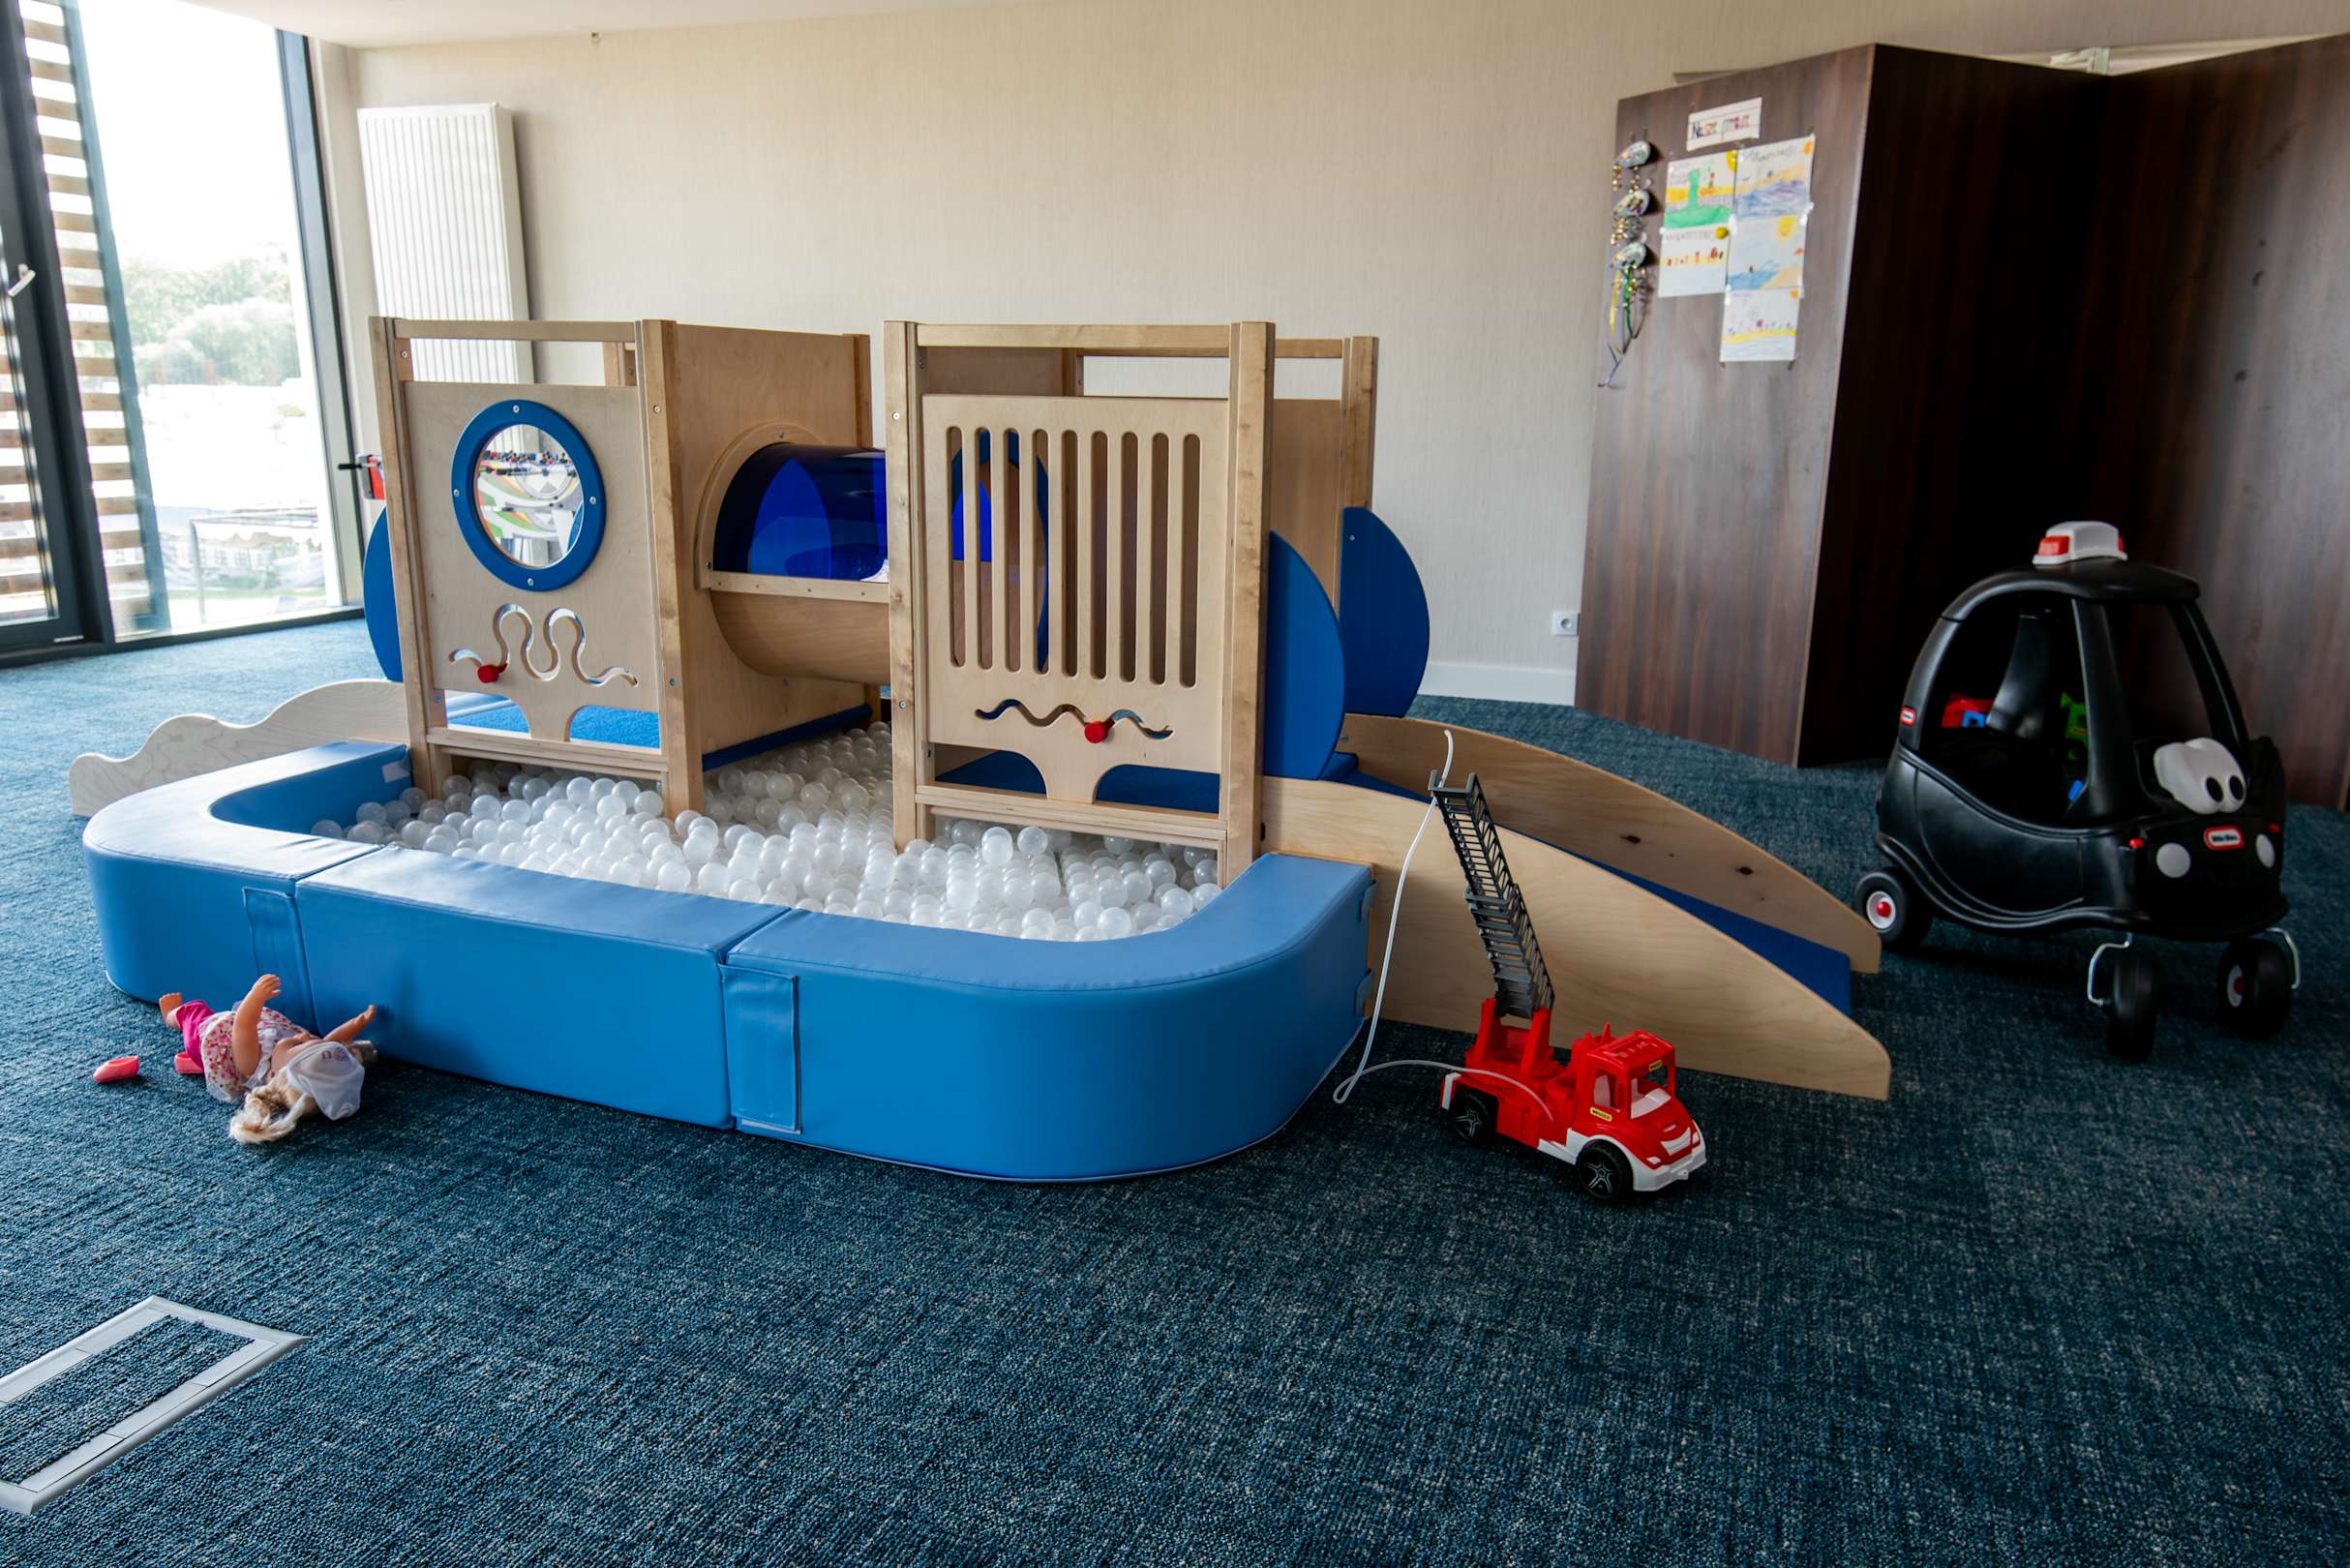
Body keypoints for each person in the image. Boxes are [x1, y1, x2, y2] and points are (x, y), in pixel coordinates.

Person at [159, 976, 377, 1141]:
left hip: (212, 1041)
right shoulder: (294, 1065)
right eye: (312, 1040)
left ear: (273, 1074)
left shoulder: (252, 1064)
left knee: (194, 1011)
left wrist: (255, 997)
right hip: (255, 1033)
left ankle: (170, 1014)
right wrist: (356, 1024)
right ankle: (190, 1062)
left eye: (296, 1045)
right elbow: (331, 1042)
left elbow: (243, 1026)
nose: (303, 1036)